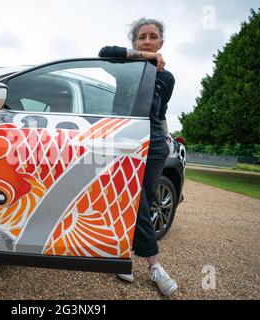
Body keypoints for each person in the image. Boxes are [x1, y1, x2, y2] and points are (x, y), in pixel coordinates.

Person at [99, 18, 177, 296]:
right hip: (124, 139)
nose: (147, 40)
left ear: (161, 42)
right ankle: (153, 264)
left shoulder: (167, 78)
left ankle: (123, 255)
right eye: (142, 37)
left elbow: (161, 111)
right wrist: (147, 57)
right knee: (131, 196)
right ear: (135, 43)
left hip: (154, 141)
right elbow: (104, 52)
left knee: (142, 195)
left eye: (152, 37)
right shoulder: (125, 68)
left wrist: (166, 138)